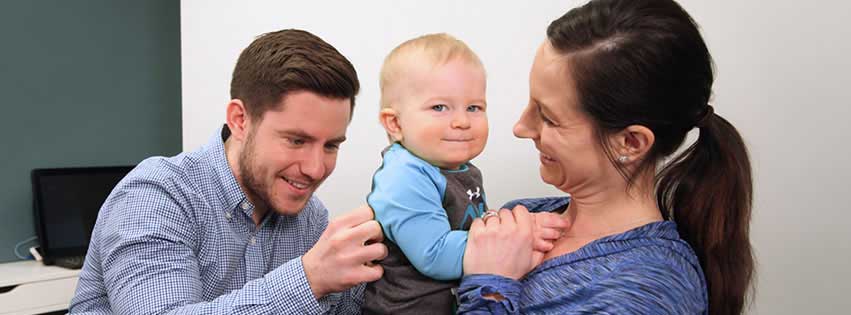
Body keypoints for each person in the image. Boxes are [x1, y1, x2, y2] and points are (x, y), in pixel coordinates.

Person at [457, 0, 755, 314]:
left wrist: (490, 287)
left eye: (548, 117)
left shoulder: (649, 289)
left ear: (630, 142)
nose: (521, 127)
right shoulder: (524, 220)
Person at [69, 29, 388, 314]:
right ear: (239, 120)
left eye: (331, 145)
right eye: (296, 140)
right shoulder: (155, 195)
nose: (316, 168)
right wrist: (309, 280)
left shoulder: (311, 219)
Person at [362, 33, 566, 315]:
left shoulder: (456, 167)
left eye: (474, 107)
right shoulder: (403, 178)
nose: (461, 121)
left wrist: (503, 224)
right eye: (439, 107)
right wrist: (516, 237)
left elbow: (468, 227)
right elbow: (435, 254)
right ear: (395, 123)